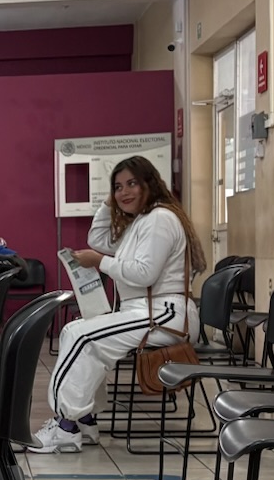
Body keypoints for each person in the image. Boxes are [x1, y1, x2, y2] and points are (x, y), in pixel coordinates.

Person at [33, 155, 204, 453]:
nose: (124, 192)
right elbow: (98, 238)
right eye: (118, 187)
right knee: (75, 330)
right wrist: (108, 202)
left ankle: (65, 426)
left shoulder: (160, 218)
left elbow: (144, 273)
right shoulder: (141, 221)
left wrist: (99, 262)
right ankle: (84, 419)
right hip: (148, 311)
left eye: (132, 184)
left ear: (150, 184)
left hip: (165, 314)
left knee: (81, 337)